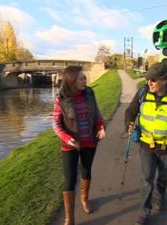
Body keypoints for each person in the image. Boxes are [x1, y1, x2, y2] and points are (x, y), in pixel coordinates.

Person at [124, 62, 167, 225]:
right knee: (147, 179)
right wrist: (128, 124)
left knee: (162, 178)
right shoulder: (142, 93)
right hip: (146, 145)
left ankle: (159, 196)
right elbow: (130, 112)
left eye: (153, 80)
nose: (149, 83)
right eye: (148, 79)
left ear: (165, 80)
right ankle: (144, 212)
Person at [53, 65, 106, 225]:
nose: (85, 80)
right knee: (69, 178)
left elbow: (96, 113)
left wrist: (101, 126)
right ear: (72, 81)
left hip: (89, 141)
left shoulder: (90, 93)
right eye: (81, 78)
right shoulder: (61, 98)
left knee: (86, 171)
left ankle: (84, 200)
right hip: (70, 144)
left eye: (84, 77)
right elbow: (55, 123)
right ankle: (70, 218)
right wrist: (66, 137)